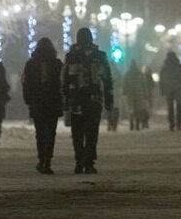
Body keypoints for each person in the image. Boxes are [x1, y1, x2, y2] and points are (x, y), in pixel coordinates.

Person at [61, 27, 114, 174]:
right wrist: (109, 100)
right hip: (93, 99)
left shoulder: (71, 56)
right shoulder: (99, 56)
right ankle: (88, 162)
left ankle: (80, 161)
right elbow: (107, 79)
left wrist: (65, 99)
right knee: (91, 132)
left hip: (77, 100)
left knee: (78, 133)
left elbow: (64, 80)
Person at [22, 37, 63, 174]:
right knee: (51, 132)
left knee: (40, 132)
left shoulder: (31, 64)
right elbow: (61, 83)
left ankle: (41, 158)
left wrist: (28, 99)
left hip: (37, 102)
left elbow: (26, 83)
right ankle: (47, 160)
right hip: (52, 101)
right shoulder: (57, 64)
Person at [159, 50, 181, 131]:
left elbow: (161, 80)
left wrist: (162, 89)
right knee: (179, 106)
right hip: (179, 89)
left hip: (169, 89)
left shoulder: (165, 68)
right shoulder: (180, 67)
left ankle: (171, 124)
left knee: (170, 107)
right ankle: (179, 123)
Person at [123, 59, 146, 131]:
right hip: (138, 93)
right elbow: (144, 83)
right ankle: (137, 124)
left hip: (130, 93)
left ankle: (131, 124)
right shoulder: (140, 73)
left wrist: (125, 91)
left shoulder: (127, 73)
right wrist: (145, 93)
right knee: (138, 109)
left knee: (130, 109)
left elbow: (125, 83)